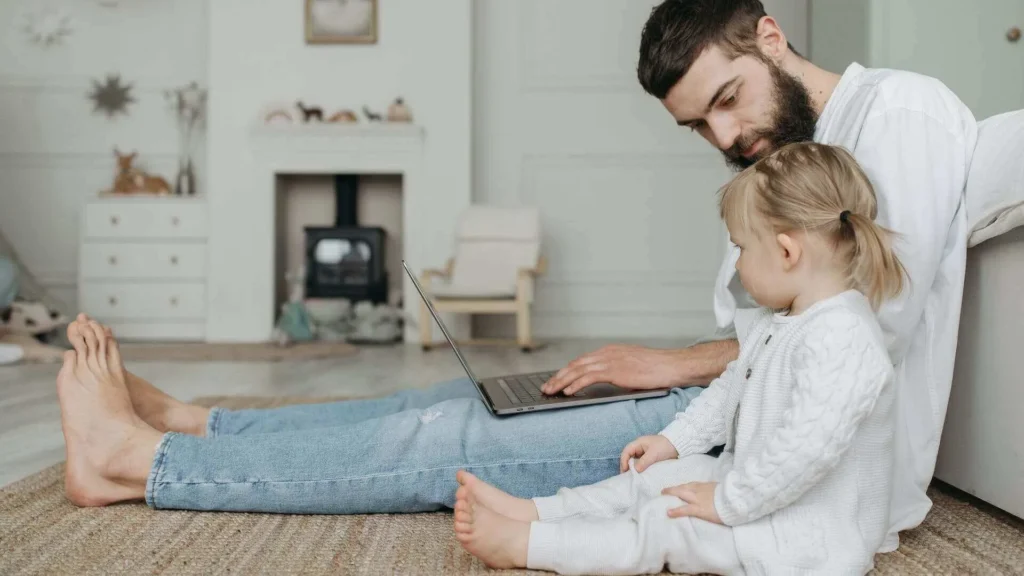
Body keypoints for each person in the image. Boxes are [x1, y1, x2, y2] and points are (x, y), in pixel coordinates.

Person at [56, 0, 975, 548]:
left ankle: (144, 464)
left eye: (726, 102)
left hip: (764, 445)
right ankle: (200, 424)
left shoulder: (904, 114)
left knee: (444, 439)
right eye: (699, 126)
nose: (725, 139)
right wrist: (675, 362)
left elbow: (864, 332)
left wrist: (676, 367)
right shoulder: (793, 155)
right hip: (728, 405)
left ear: (770, 37)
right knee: (438, 405)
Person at [453, 142, 906, 575]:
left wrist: (726, 502)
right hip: (753, 488)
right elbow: (730, 389)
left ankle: (528, 545)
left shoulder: (842, 338)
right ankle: (535, 512)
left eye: (742, 248)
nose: (737, 265)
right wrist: (674, 442)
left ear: (787, 252)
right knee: (655, 478)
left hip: (804, 537)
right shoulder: (782, 319)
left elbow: (805, 451)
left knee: (667, 524)